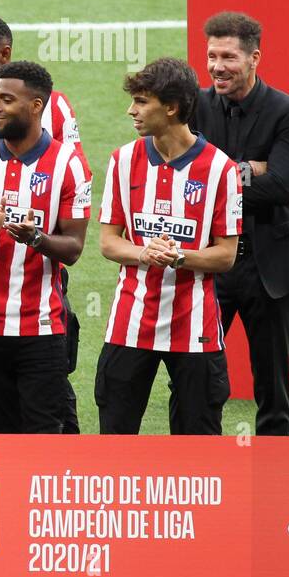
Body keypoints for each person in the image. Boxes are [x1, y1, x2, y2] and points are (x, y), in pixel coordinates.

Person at [0, 13, 84, 430]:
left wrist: (37, 236)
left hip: (40, 311)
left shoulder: (64, 155)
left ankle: (55, 487)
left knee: (47, 417)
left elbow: (73, 242)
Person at [97, 58, 240, 434]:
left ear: (172, 107)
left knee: (198, 442)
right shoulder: (122, 161)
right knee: (114, 437)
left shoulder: (220, 169)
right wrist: (143, 252)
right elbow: (109, 243)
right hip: (129, 323)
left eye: (142, 101)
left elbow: (226, 255)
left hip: (195, 327)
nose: (132, 110)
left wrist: (179, 256)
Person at [191, 11, 289, 436]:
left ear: (254, 58)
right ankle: (201, 458)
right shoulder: (195, 104)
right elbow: (183, 179)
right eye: (212, 55)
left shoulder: (286, 110)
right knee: (197, 375)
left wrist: (215, 179)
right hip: (212, 261)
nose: (217, 66)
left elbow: (281, 187)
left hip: (266, 264)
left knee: (272, 382)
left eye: (229, 57)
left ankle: (274, 469)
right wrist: (251, 168)